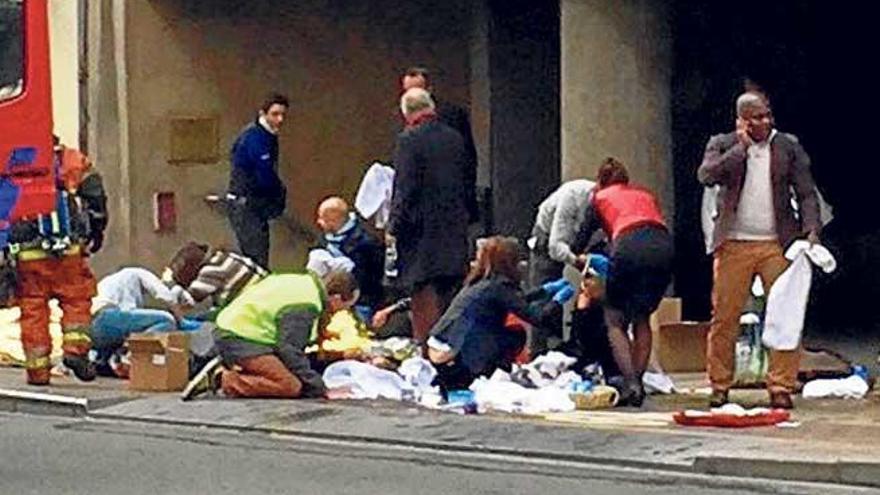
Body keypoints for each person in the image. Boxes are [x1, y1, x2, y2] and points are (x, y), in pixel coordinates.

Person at [698, 92, 821, 409]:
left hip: (777, 244)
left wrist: (811, 232)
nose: (764, 122)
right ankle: (720, 384)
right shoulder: (723, 144)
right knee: (725, 316)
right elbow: (707, 175)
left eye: (767, 115)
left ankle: (781, 385)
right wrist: (741, 149)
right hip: (734, 243)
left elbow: (806, 193)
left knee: (785, 315)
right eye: (756, 117)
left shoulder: (787, 146)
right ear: (741, 120)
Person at [7, 137, 108, 385]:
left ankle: (37, 371)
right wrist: (97, 229)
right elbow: (95, 194)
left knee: (33, 309)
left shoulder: (10, 161)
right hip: (67, 250)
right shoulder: (68, 159)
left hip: (27, 252)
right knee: (76, 299)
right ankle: (75, 351)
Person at [427, 236, 575, 393]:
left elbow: (516, 301)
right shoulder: (499, 286)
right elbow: (537, 317)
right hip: (457, 357)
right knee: (515, 334)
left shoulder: (479, 283)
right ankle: (483, 374)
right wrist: (557, 301)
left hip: (438, 349)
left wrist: (545, 291)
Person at [580, 158, 673, 406]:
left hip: (628, 245)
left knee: (614, 318)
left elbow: (583, 235)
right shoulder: (644, 194)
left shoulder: (599, 198)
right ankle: (639, 381)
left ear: (600, 181)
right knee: (642, 316)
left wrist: (580, 257)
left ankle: (630, 383)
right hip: (663, 245)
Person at [181, 270, 358, 400]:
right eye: (347, 306)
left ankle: (235, 371)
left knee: (291, 377)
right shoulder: (307, 304)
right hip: (243, 338)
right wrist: (321, 389)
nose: (345, 311)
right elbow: (289, 350)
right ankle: (224, 380)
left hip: (237, 330)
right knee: (290, 386)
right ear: (335, 298)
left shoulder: (302, 281)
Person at [388, 88, 470, 344]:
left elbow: (406, 188)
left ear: (407, 113)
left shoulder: (409, 140)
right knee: (451, 296)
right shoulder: (455, 138)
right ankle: (451, 352)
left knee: (424, 299)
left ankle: (427, 355)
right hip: (454, 229)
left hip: (421, 234)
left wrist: (394, 226)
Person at [527, 178, 598, 355]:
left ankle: (572, 347)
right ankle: (539, 352)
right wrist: (578, 262)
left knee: (590, 290)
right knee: (545, 296)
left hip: (580, 237)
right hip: (548, 238)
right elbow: (555, 247)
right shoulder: (572, 196)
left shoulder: (605, 204)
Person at [401, 67, 478, 224]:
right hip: (417, 206)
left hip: (447, 201)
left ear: (429, 90)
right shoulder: (403, 117)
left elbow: (468, 159)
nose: (412, 96)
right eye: (408, 91)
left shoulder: (451, 116)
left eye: (417, 90)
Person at [90, 267, 192, 376]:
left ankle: (101, 361)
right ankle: (131, 353)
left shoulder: (111, 280)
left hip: (92, 328)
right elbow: (166, 296)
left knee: (130, 329)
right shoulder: (138, 273)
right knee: (167, 320)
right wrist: (181, 321)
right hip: (108, 318)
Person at [227, 93, 290, 269]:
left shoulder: (265, 136)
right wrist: (277, 193)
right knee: (256, 258)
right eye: (275, 114)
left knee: (258, 253)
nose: (280, 119)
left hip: (252, 205)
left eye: (283, 115)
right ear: (263, 113)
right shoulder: (255, 138)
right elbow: (264, 174)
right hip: (247, 205)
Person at [307, 197, 385, 320]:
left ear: (333, 220)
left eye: (323, 218)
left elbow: (372, 278)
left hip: (360, 303)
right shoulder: (325, 237)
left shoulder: (366, 243)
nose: (318, 222)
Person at [164, 241, 268, 314]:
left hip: (253, 304)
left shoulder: (210, 270)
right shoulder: (226, 256)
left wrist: (169, 282)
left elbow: (188, 302)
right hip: (265, 294)